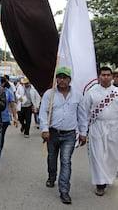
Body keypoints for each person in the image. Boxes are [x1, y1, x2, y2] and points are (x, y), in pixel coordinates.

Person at [39, 67, 87, 204]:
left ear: (69, 80)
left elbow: (82, 116)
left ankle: (64, 190)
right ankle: (52, 176)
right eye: (58, 77)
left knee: (66, 161)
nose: (61, 80)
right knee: (52, 158)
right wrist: (44, 129)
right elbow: (43, 113)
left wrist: (83, 133)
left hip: (69, 135)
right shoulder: (50, 94)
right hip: (53, 134)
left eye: (64, 77)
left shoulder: (77, 95)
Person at [83, 66, 118, 196]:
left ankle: (108, 177)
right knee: (97, 155)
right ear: (99, 76)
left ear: (112, 77)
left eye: (108, 75)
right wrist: (83, 130)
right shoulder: (91, 92)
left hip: (114, 127)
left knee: (112, 156)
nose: (105, 77)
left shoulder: (116, 91)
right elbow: (84, 111)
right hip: (97, 126)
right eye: (103, 75)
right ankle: (100, 184)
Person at [0, 77, 18, 150]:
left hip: (4, 118)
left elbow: (13, 106)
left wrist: (15, 118)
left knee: (1, 135)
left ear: (3, 83)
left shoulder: (8, 92)